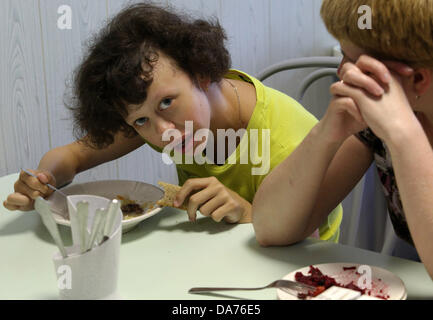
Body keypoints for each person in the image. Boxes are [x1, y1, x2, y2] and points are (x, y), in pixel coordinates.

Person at [3, 2, 342, 240]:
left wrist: (248, 212)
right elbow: (74, 155)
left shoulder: (284, 140)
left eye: (168, 102)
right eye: (140, 121)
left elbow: (303, 240)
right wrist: (44, 180)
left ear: (202, 71)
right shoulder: (159, 121)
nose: (162, 133)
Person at [252, 0, 433, 279]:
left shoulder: (399, 129)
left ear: (419, 79)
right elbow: (270, 228)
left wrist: (405, 137)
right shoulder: (376, 129)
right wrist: (324, 134)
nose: (340, 72)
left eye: (353, 63)